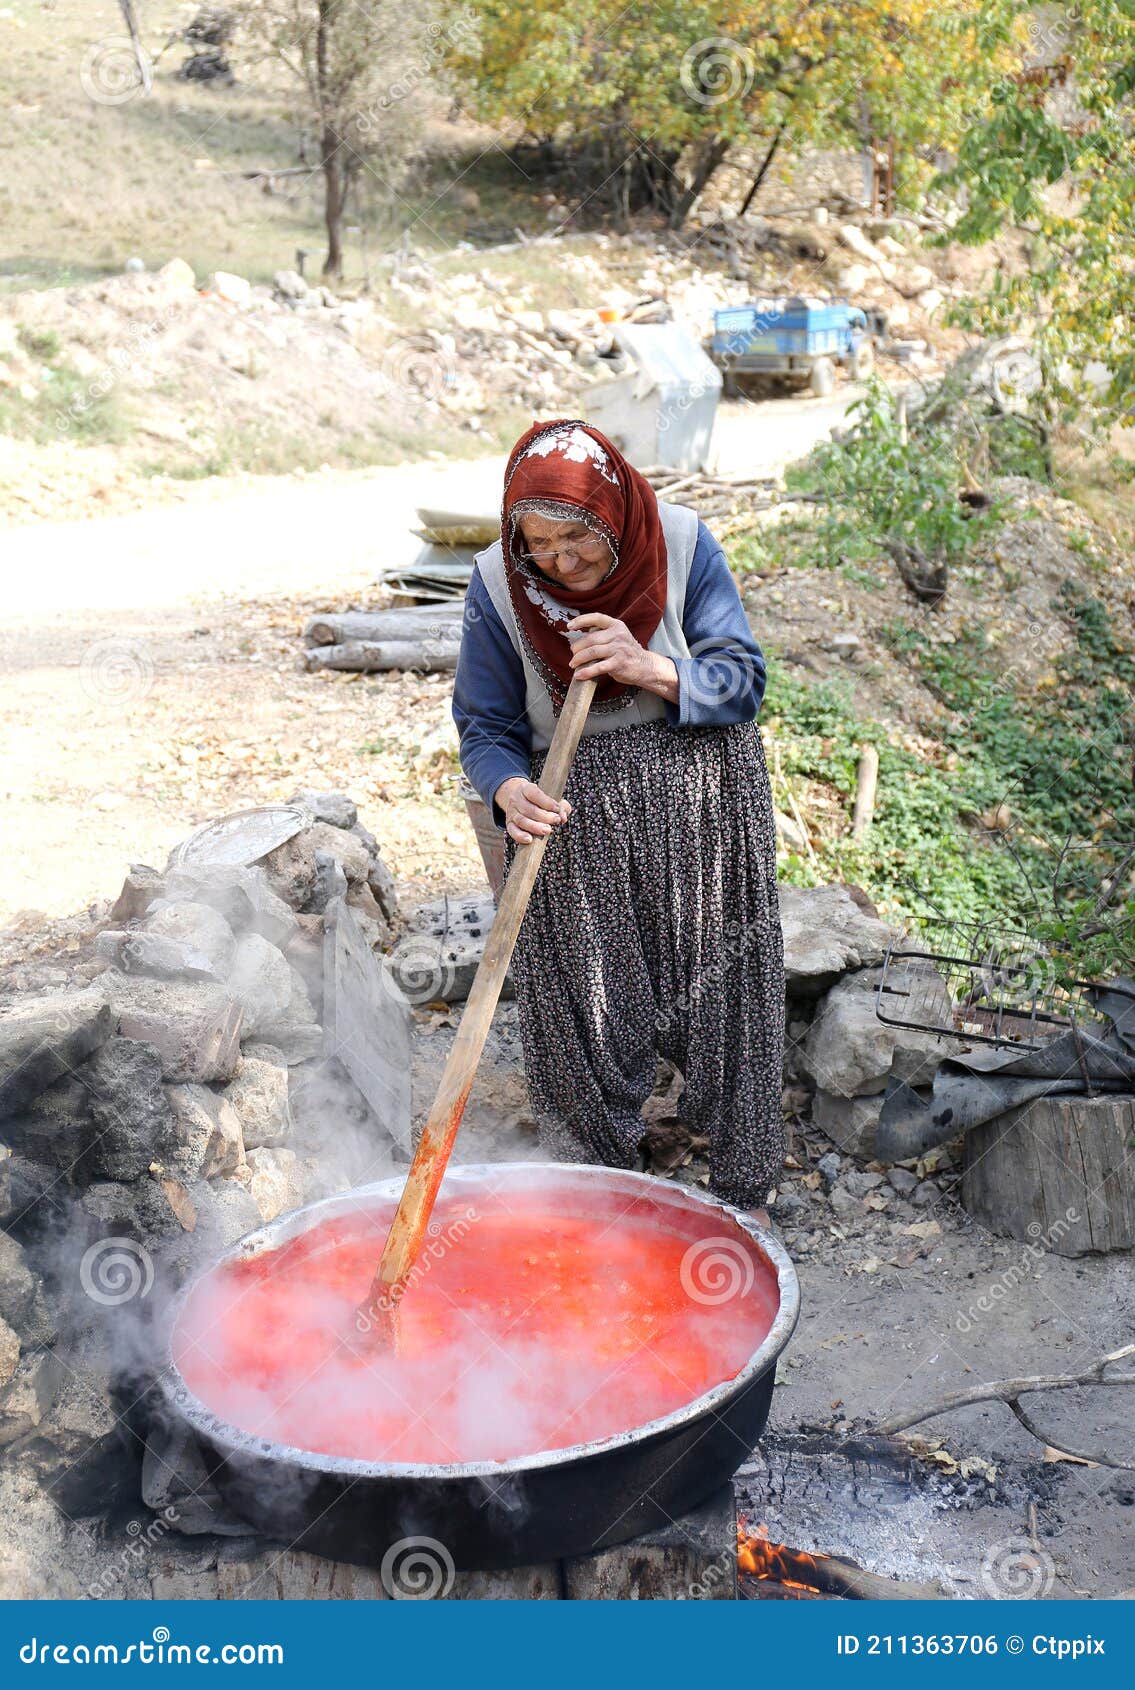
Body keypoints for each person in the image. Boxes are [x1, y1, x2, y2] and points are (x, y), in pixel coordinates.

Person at [452, 419, 784, 1215]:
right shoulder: (498, 582)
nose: (559, 563)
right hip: (572, 812)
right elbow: (485, 724)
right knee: (586, 1000)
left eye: (577, 540)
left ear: (612, 518)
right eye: (539, 543)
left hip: (701, 796)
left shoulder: (679, 542)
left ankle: (742, 1190)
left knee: (722, 987)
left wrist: (654, 668)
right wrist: (504, 788)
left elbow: (743, 679)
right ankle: (598, 1197)